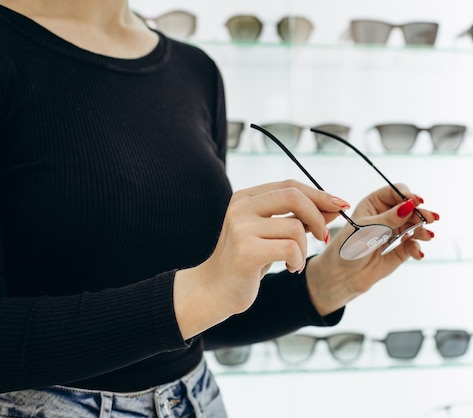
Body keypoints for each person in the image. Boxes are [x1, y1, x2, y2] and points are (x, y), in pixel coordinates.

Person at [0, 1, 439, 416]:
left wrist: (325, 281)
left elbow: (190, 321)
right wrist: (200, 291)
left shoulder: (194, 71)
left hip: (197, 399)